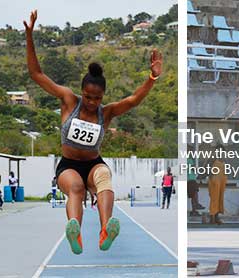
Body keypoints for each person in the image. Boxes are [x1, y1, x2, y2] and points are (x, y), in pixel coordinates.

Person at [25, 10, 162, 254]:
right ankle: (74, 232)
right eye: (87, 96)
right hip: (67, 166)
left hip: (93, 163)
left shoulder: (106, 112)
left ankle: (106, 229)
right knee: (75, 188)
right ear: (81, 92)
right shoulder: (68, 100)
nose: (91, 102)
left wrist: (152, 77)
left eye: (96, 98)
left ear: (102, 97)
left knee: (104, 178)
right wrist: (29, 35)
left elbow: (132, 100)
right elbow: (37, 74)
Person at [207, 149, 227, 224]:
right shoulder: (213, 160)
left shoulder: (223, 162)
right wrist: (212, 179)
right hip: (214, 182)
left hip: (221, 182)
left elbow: (224, 172)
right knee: (214, 199)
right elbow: (208, 170)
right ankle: (212, 217)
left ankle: (216, 217)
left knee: (219, 200)